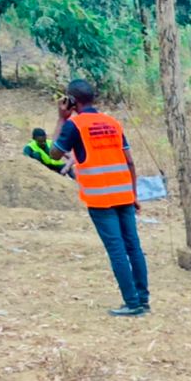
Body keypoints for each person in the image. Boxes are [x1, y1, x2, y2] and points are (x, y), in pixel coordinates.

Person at [49, 79, 149, 317]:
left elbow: (54, 154)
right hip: (124, 193)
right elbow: (130, 161)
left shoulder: (74, 125)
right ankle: (143, 299)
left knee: (116, 249)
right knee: (133, 246)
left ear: (71, 101)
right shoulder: (112, 122)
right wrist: (134, 194)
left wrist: (61, 119)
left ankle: (132, 303)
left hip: (100, 198)